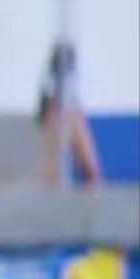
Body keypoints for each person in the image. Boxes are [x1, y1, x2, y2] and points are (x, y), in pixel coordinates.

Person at [38, 40, 102, 188]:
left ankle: (93, 195)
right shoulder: (50, 83)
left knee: (90, 168)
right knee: (53, 172)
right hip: (58, 116)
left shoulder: (72, 88)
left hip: (68, 114)